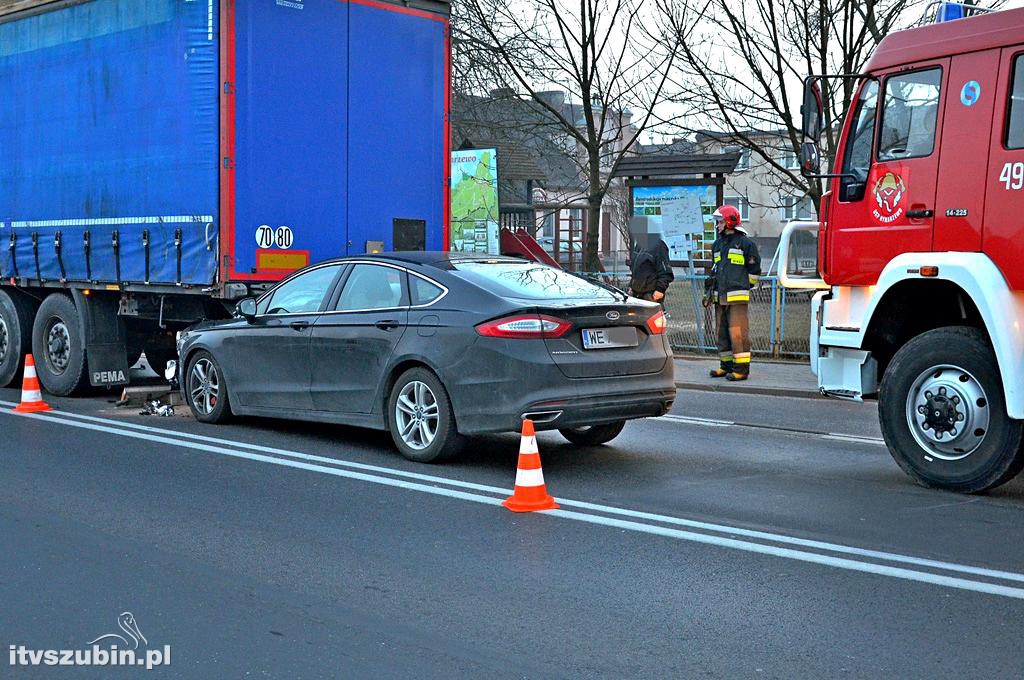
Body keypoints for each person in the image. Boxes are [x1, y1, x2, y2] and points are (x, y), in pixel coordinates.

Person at [704, 205, 761, 381]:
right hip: (719, 297)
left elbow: (754, 272)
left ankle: (741, 370)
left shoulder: (746, 244)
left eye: (719, 222)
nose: (717, 225)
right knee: (722, 334)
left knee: (738, 334)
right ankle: (726, 366)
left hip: (737, 298)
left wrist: (742, 286)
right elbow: (716, 269)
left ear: (730, 222)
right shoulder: (717, 245)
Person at [628, 226, 674, 304]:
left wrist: (660, 290)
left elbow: (665, 272)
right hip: (636, 294)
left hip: (650, 295)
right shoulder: (639, 246)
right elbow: (636, 270)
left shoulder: (659, 246)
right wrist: (631, 286)